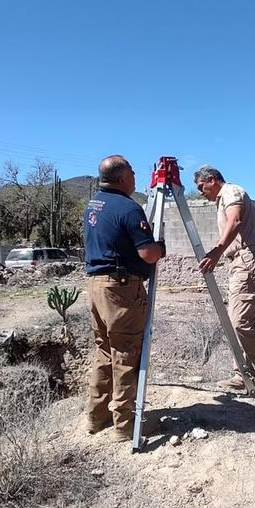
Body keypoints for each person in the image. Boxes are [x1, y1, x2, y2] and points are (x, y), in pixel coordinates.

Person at [84, 155, 165, 441]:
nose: (134, 176)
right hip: (120, 290)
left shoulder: (94, 205)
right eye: (131, 172)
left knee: (105, 351)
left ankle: (97, 416)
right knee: (126, 353)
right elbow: (148, 254)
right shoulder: (129, 208)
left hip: (96, 286)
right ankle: (125, 424)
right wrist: (160, 247)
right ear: (121, 178)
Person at [193, 165, 255, 395]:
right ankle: (242, 373)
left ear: (213, 179)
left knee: (241, 321)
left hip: (247, 259)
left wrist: (216, 251)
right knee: (237, 317)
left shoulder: (232, 191)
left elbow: (234, 221)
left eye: (201, 186)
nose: (200, 192)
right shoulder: (222, 199)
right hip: (239, 261)